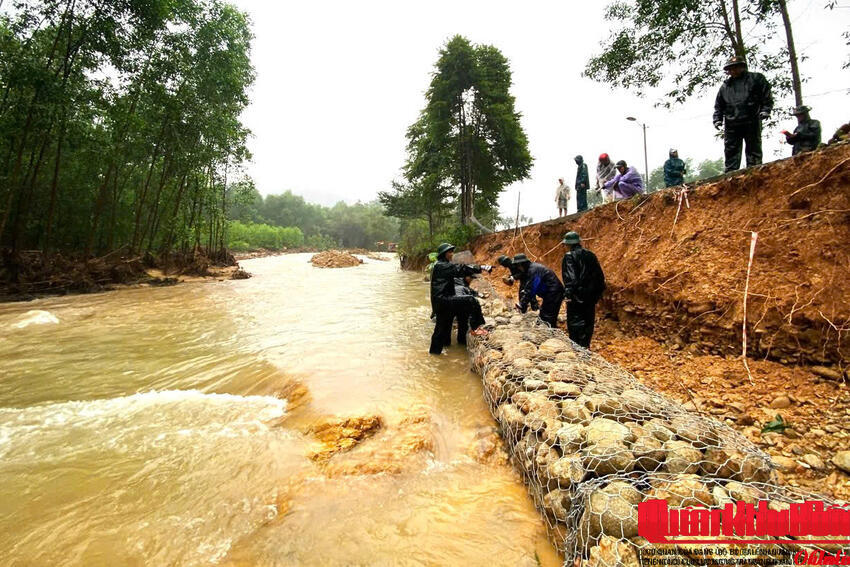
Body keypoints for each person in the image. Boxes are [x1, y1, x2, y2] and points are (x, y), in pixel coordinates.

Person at [713, 55, 774, 173]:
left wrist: (766, 109)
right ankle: (730, 174)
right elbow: (719, 105)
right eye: (730, 69)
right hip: (731, 122)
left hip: (751, 118)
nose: (732, 71)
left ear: (742, 67)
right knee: (731, 149)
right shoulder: (725, 86)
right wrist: (717, 119)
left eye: (735, 67)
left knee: (753, 146)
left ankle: (754, 170)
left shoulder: (756, 79)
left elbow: (766, 95)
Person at [429, 243, 492, 354]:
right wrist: (481, 267)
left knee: (440, 332)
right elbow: (461, 269)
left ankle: (434, 356)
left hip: (441, 302)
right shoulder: (442, 265)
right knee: (471, 300)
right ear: (444, 254)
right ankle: (476, 327)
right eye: (450, 252)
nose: (452, 254)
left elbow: (458, 270)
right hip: (444, 300)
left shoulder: (440, 265)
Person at [560, 232, 606, 349]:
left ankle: (577, 349)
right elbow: (600, 277)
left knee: (575, 322)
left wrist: (568, 294)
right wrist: (596, 294)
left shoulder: (569, 256)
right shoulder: (591, 255)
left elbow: (571, 278)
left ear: (568, 244)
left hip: (577, 296)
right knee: (588, 321)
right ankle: (585, 347)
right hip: (591, 296)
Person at [512, 254, 564, 328]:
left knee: (547, 316)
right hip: (551, 292)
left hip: (554, 292)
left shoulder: (533, 270)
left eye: (518, 266)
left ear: (521, 264)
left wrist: (522, 303)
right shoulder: (532, 268)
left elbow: (531, 288)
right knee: (545, 314)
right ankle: (548, 330)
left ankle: (549, 334)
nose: (518, 268)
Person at [452, 275, 486, 346]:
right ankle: (474, 329)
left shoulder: (448, 285)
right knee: (463, 326)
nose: (471, 280)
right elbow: (471, 302)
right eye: (470, 278)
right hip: (460, 305)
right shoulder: (464, 287)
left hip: (447, 307)